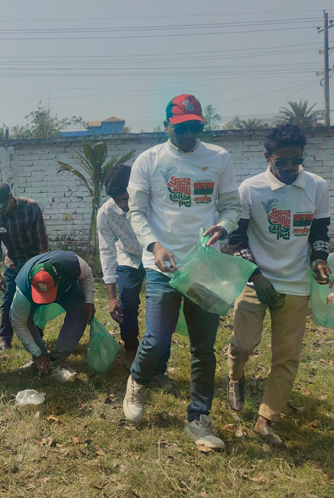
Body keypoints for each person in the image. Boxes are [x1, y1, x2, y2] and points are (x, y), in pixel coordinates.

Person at [123, 94, 241, 451]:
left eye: (195, 127)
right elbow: (136, 212)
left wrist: (223, 226)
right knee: (157, 339)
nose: (189, 133)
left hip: (205, 265)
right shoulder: (150, 160)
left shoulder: (219, 158)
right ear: (167, 126)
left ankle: (199, 418)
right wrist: (154, 246)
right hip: (163, 265)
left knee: (203, 347)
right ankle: (138, 383)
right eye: (182, 127)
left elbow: (232, 206)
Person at [227, 124, 331, 447]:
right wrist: (255, 275)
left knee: (286, 357)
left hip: (295, 284)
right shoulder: (251, 189)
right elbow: (236, 237)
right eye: (281, 162)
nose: (288, 169)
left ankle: (265, 419)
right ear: (267, 157)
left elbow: (319, 234)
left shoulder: (316, 187)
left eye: (295, 162)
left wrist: (319, 260)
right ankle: (234, 377)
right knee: (243, 344)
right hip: (255, 278)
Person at [98, 165, 172, 378]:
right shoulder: (106, 213)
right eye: (117, 200)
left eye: (126, 198)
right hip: (129, 256)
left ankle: (159, 359)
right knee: (127, 301)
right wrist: (112, 297)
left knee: (162, 303)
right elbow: (107, 252)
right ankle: (130, 347)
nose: (123, 205)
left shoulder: (155, 201)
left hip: (157, 253)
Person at [9, 251, 96, 373]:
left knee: (81, 312)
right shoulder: (24, 289)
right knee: (25, 319)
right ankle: (40, 359)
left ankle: (58, 358)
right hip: (33, 293)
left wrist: (89, 300)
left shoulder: (73, 264)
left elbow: (86, 276)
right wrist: (36, 352)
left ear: (58, 280)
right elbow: (18, 323)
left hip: (68, 290)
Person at [0, 182, 48, 351]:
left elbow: (42, 241)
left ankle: (37, 335)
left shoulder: (31, 207)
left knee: (35, 299)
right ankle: (6, 339)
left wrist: (41, 269)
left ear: (11, 198)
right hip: (12, 261)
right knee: (8, 299)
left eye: (2, 206)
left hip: (34, 259)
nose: (0, 210)